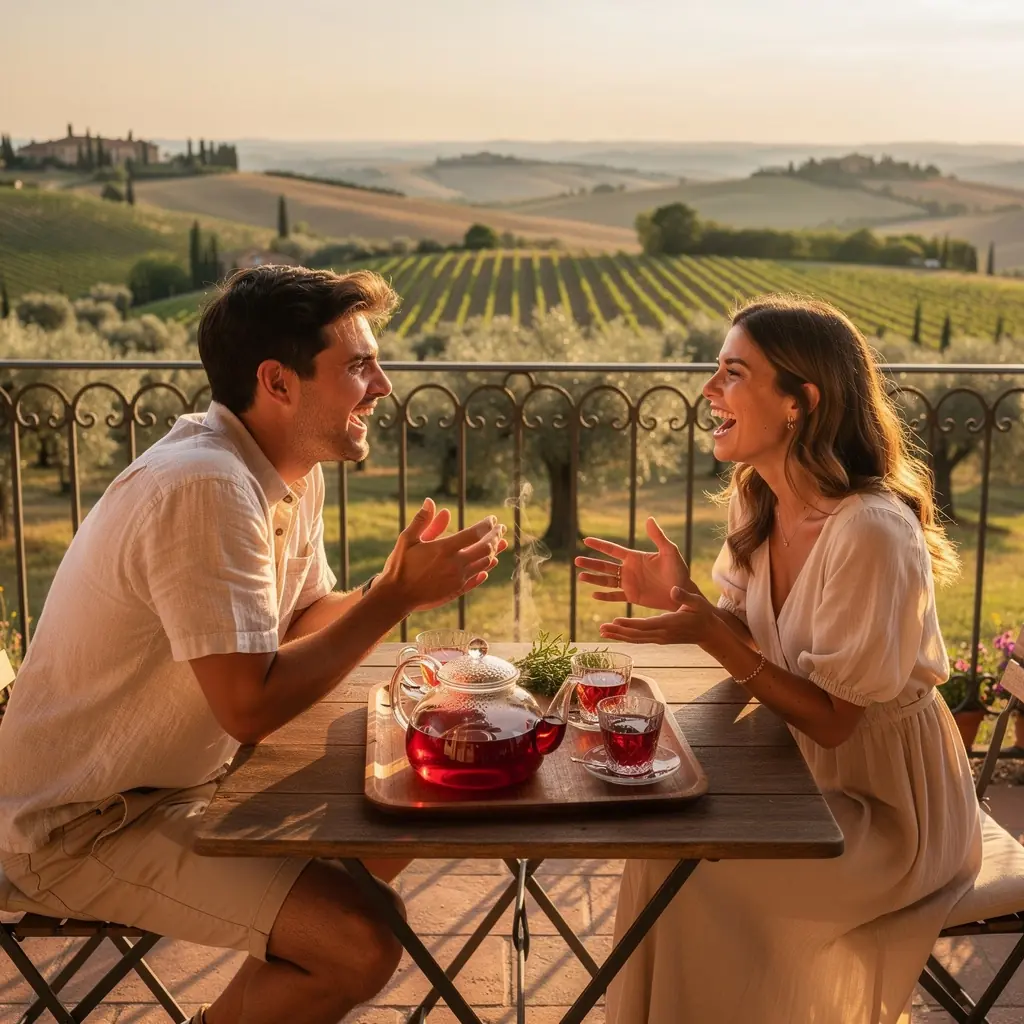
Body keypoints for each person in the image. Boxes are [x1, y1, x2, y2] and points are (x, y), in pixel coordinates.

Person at [0, 265, 507, 1024]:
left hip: (179, 785)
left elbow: (300, 618)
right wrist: (394, 598)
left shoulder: (281, 471)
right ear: (278, 381)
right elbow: (249, 706)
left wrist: (392, 588)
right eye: (359, 366)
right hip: (78, 822)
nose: (384, 385)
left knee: (408, 803)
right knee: (360, 941)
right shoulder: (205, 486)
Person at [575, 295, 982, 1023]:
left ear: (801, 402)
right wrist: (687, 601)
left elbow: (835, 722)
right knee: (659, 841)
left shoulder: (872, 532)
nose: (709, 390)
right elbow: (755, 631)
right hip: (797, 772)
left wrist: (712, 635)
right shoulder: (759, 498)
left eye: (733, 373)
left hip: (889, 812)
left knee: (699, 876)